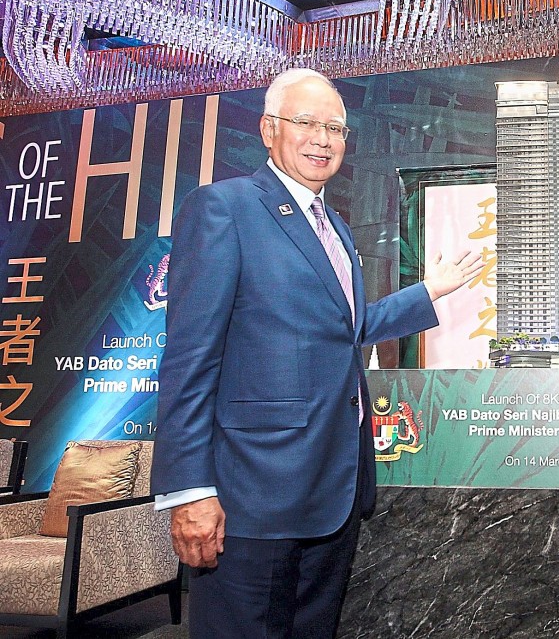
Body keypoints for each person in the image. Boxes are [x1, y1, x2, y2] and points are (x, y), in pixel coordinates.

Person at [152, 68, 483, 639]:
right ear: (268, 130)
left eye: (335, 128)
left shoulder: (335, 228)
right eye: (306, 123)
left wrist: (428, 292)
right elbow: (189, 359)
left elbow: (343, 330)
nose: (322, 139)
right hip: (252, 498)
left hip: (332, 493)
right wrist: (190, 490)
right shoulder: (224, 208)